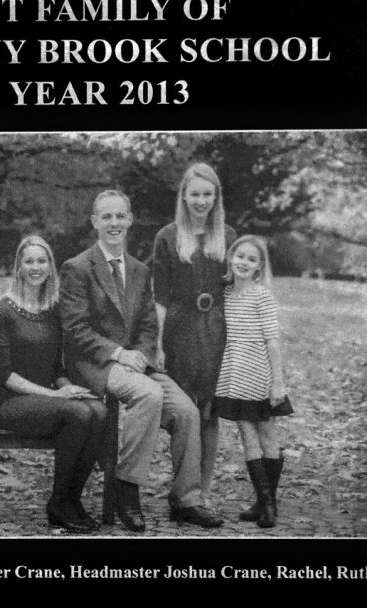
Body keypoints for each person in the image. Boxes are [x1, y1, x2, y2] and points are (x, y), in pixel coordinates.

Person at [60, 189, 223, 532]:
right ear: (95, 222)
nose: (114, 223)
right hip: (96, 364)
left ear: (130, 220)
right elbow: (75, 329)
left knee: (187, 413)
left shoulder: (138, 270)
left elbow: (149, 324)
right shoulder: (77, 268)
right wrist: (119, 354)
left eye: (120, 216)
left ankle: (186, 500)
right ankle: (127, 490)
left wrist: (142, 355)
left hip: (137, 364)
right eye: (107, 217)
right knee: (148, 395)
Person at [0, 235, 107, 533]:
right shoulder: (2, 311)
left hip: (48, 399)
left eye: (41, 261)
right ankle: (58, 503)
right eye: (28, 261)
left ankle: (72, 500)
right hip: (9, 402)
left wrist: (70, 388)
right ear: (18, 267)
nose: (35, 267)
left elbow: (56, 368)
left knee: (98, 410)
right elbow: (5, 375)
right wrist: (57, 396)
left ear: (50, 267)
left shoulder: (53, 310)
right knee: (78, 414)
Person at [152, 162, 236, 504]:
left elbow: (236, 291)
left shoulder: (227, 235)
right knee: (185, 411)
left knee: (210, 411)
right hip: (180, 328)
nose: (201, 201)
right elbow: (159, 296)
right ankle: (184, 487)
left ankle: (203, 489)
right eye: (195, 194)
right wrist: (157, 344)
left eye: (207, 194)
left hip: (217, 328)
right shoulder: (167, 237)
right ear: (183, 197)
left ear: (216, 197)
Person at [213, 234, 293, 528]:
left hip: (259, 374)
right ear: (231, 256)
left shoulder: (262, 296)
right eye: (240, 256)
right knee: (247, 436)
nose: (243, 263)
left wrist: (277, 382)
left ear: (259, 267)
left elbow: (272, 342)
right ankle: (264, 502)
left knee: (268, 436)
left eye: (251, 259)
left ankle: (268, 503)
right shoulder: (225, 293)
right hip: (233, 375)